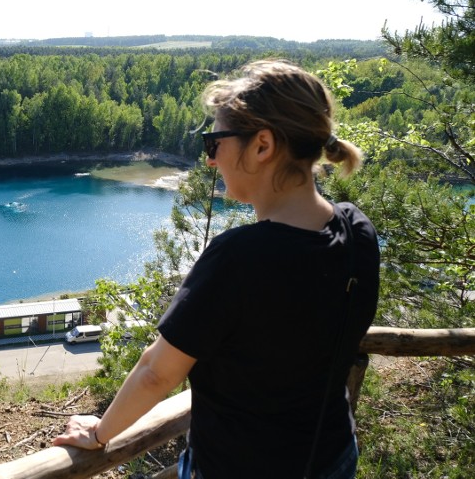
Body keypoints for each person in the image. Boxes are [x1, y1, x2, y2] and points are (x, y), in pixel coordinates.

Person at [53, 59, 381, 479]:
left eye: (215, 143)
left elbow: (157, 372)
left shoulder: (240, 257)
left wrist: (100, 433)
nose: (211, 160)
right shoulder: (357, 228)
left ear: (262, 145)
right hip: (333, 455)